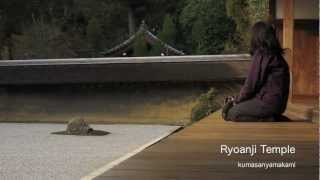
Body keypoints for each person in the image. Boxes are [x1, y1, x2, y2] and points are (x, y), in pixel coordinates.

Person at [222, 21, 290, 122]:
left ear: (257, 36)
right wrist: (238, 99)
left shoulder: (263, 55)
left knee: (231, 113)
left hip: (268, 103)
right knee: (236, 107)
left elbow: (251, 85)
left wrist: (236, 101)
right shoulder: (276, 56)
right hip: (278, 105)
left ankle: (269, 118)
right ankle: (271, 116)